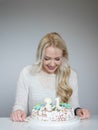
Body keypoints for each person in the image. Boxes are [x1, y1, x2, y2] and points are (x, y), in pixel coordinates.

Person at [10, 32, 90, 122]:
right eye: (47, 59)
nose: (52, 64)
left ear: (63, 56)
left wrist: (79, 111)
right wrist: (18, 112)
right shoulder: (27, 73)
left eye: (57, 59)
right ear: (40, 56)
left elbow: (74, 107)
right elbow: (20, 105)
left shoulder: (71, 75)